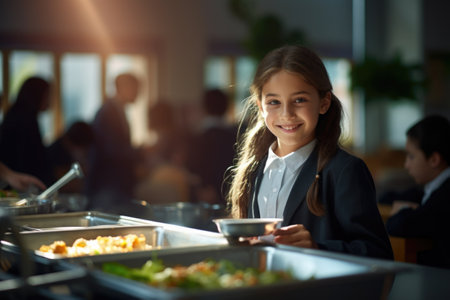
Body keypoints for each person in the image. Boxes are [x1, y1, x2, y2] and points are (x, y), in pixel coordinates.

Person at [227, 45, 393, 259]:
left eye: (299, 100)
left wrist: (318, 248)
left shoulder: (344, 170)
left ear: (324, 102)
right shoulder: (253, 169)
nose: (287, 114)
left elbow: (380, 254)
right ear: (260, 107)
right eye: (274, 102)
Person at [386, 115, 450, 268]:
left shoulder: (445, 196)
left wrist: (403, 209)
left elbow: (399, 225)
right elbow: (387, 198)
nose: (406, 165)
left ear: (434, 159)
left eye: (411, 156)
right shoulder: (431, 189)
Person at [86, 73, 144, 209]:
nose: (138, 93)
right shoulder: (108, 112)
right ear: (124, 87)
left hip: (115, 184)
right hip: (108, 184)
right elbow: (112, 149)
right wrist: (139, 152)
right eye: (136, 88)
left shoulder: (117, 110)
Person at [0, 76, 53, 186]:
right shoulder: (25, 118)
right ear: (37, 94)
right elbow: (33, 160)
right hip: (17, 187)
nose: (51, 100)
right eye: (48, 95)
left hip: (15, 182)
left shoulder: (19, 113)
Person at [188, 89, 238, 204]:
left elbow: (194, 168)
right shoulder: (234, 136)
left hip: (205, 194)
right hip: (231, 192)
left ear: (204, 108)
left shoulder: (199, 138)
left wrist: (204, 186)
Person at [47, 121, 94, 193]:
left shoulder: (67, 147)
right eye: (84, 149)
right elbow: (62, 184)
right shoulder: (56, 152)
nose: (84, 152)